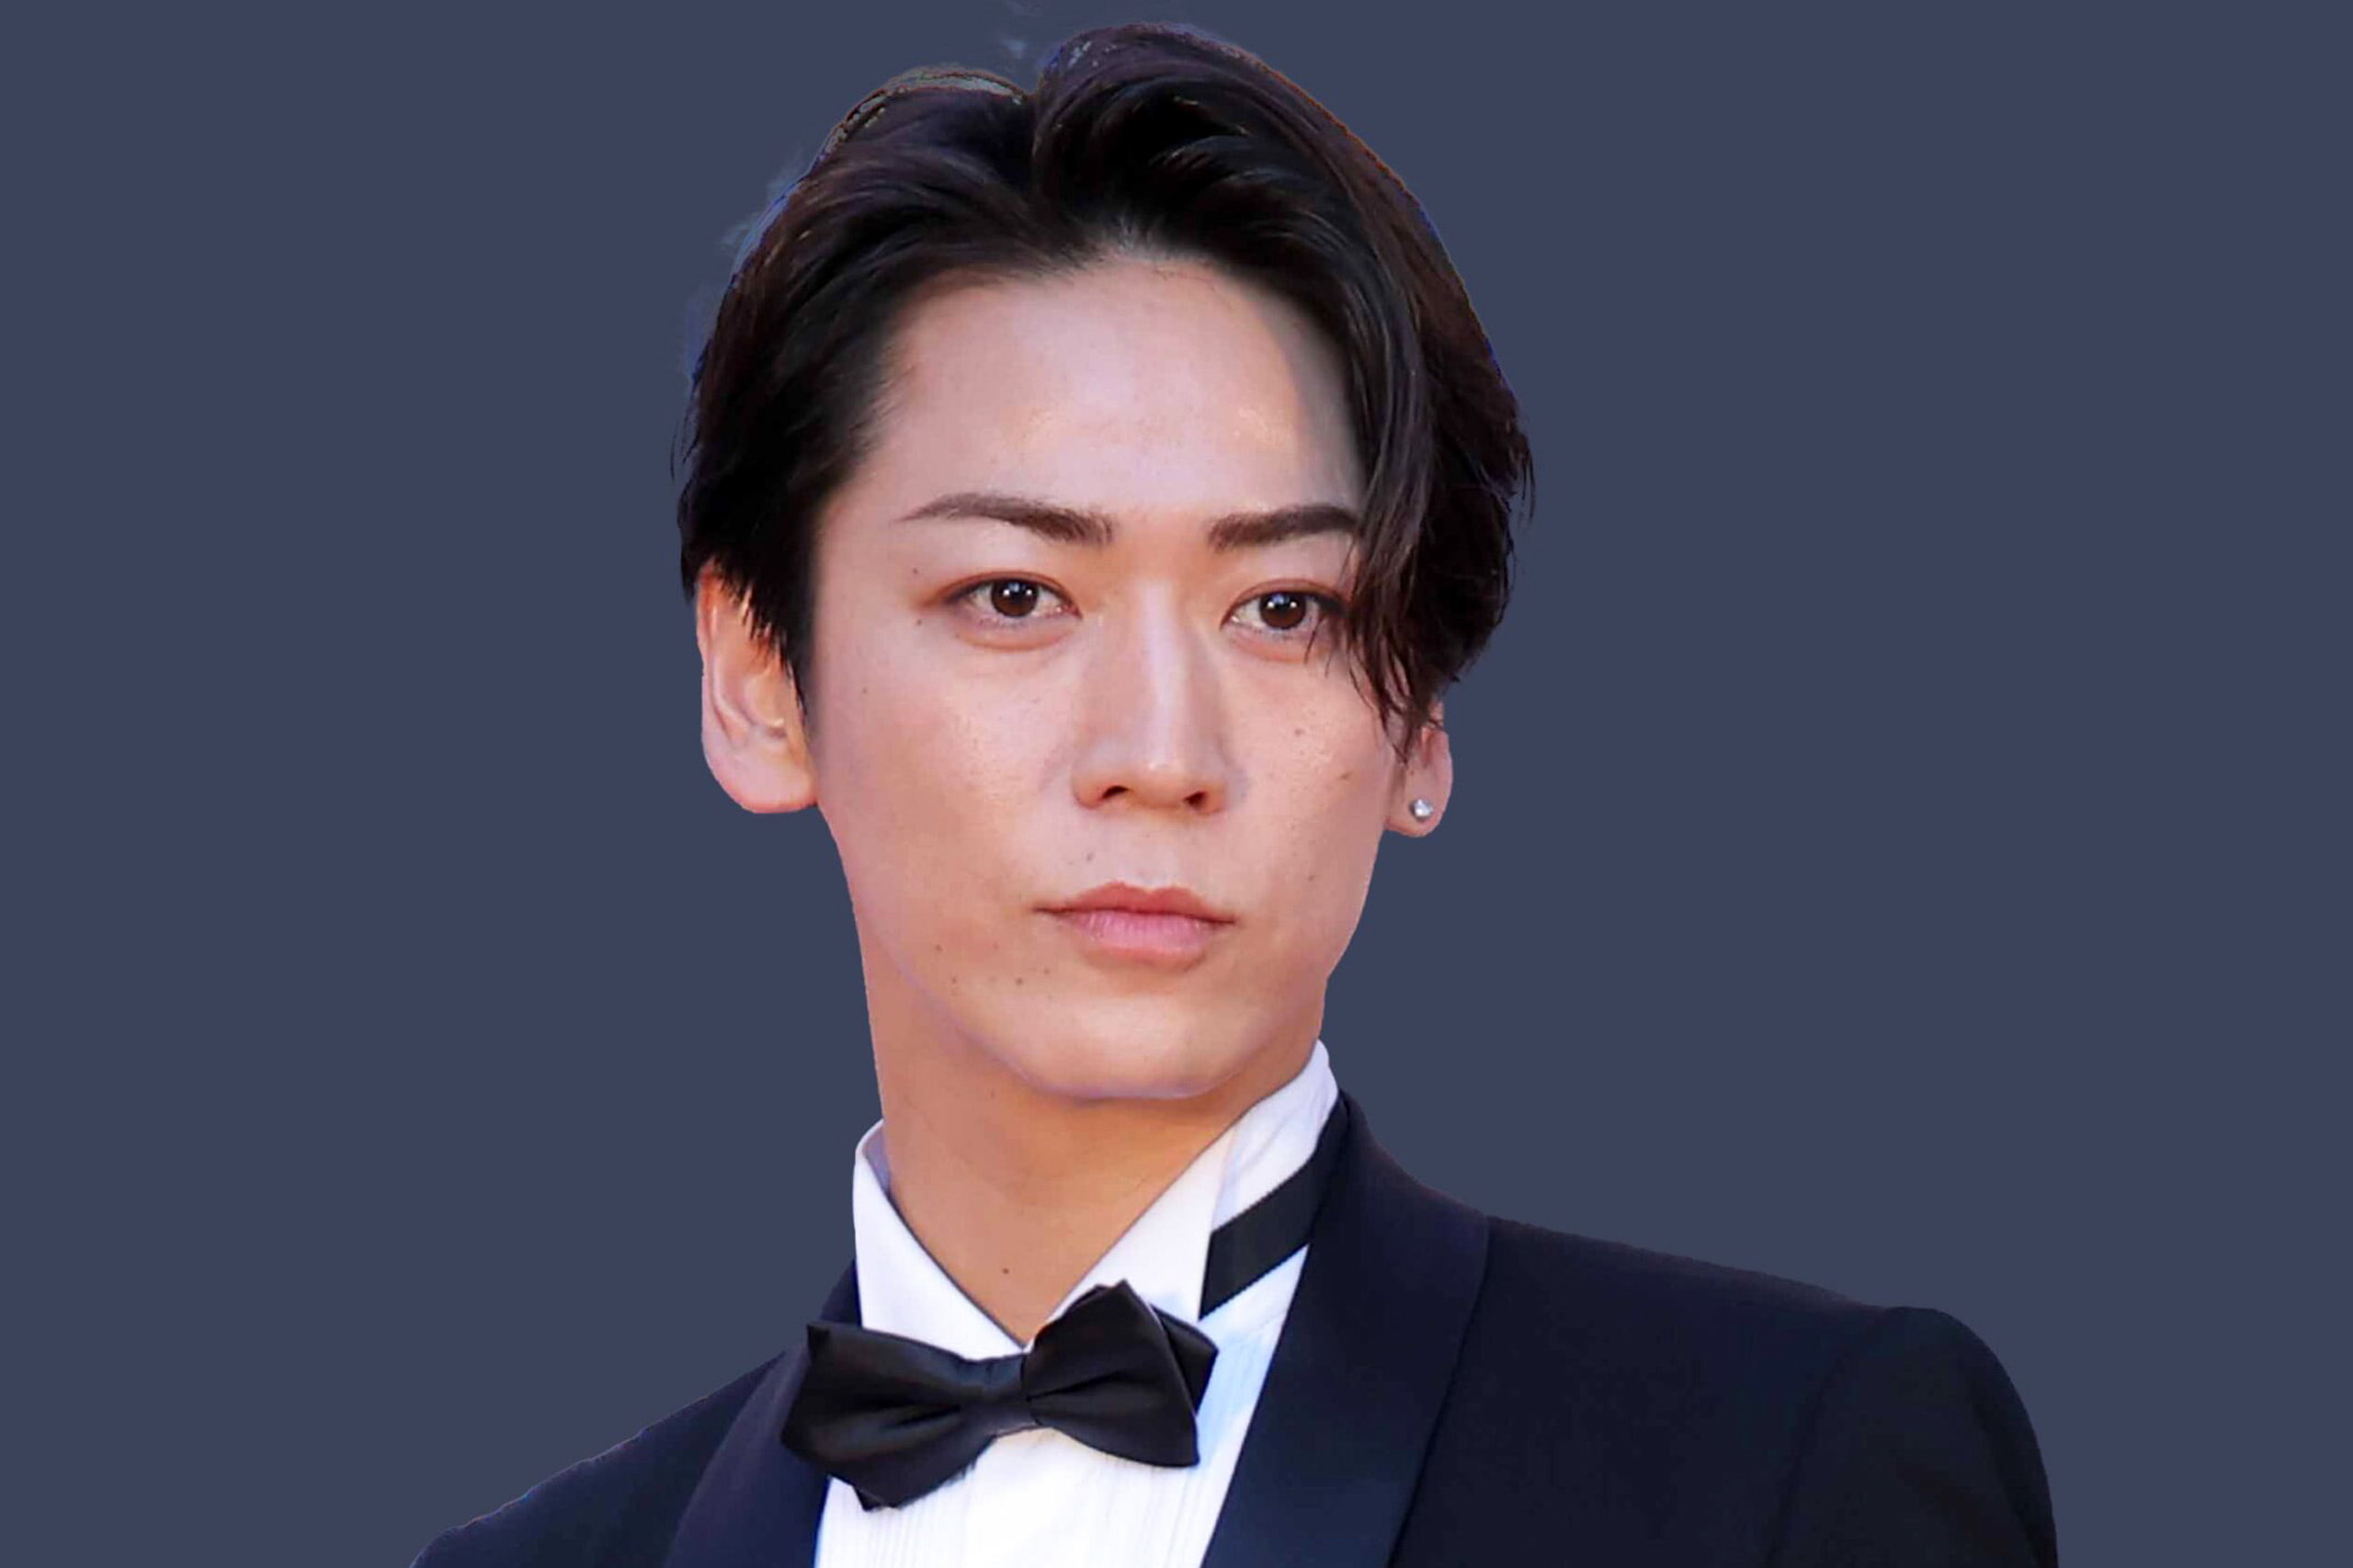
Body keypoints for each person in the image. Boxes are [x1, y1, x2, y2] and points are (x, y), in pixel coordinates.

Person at [413, 20, 2056, 1567]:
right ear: (758, 679)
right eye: (1013, 595)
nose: (1160, 751)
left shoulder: (1783, 1469)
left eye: (1285, 609)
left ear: (1419, 717)